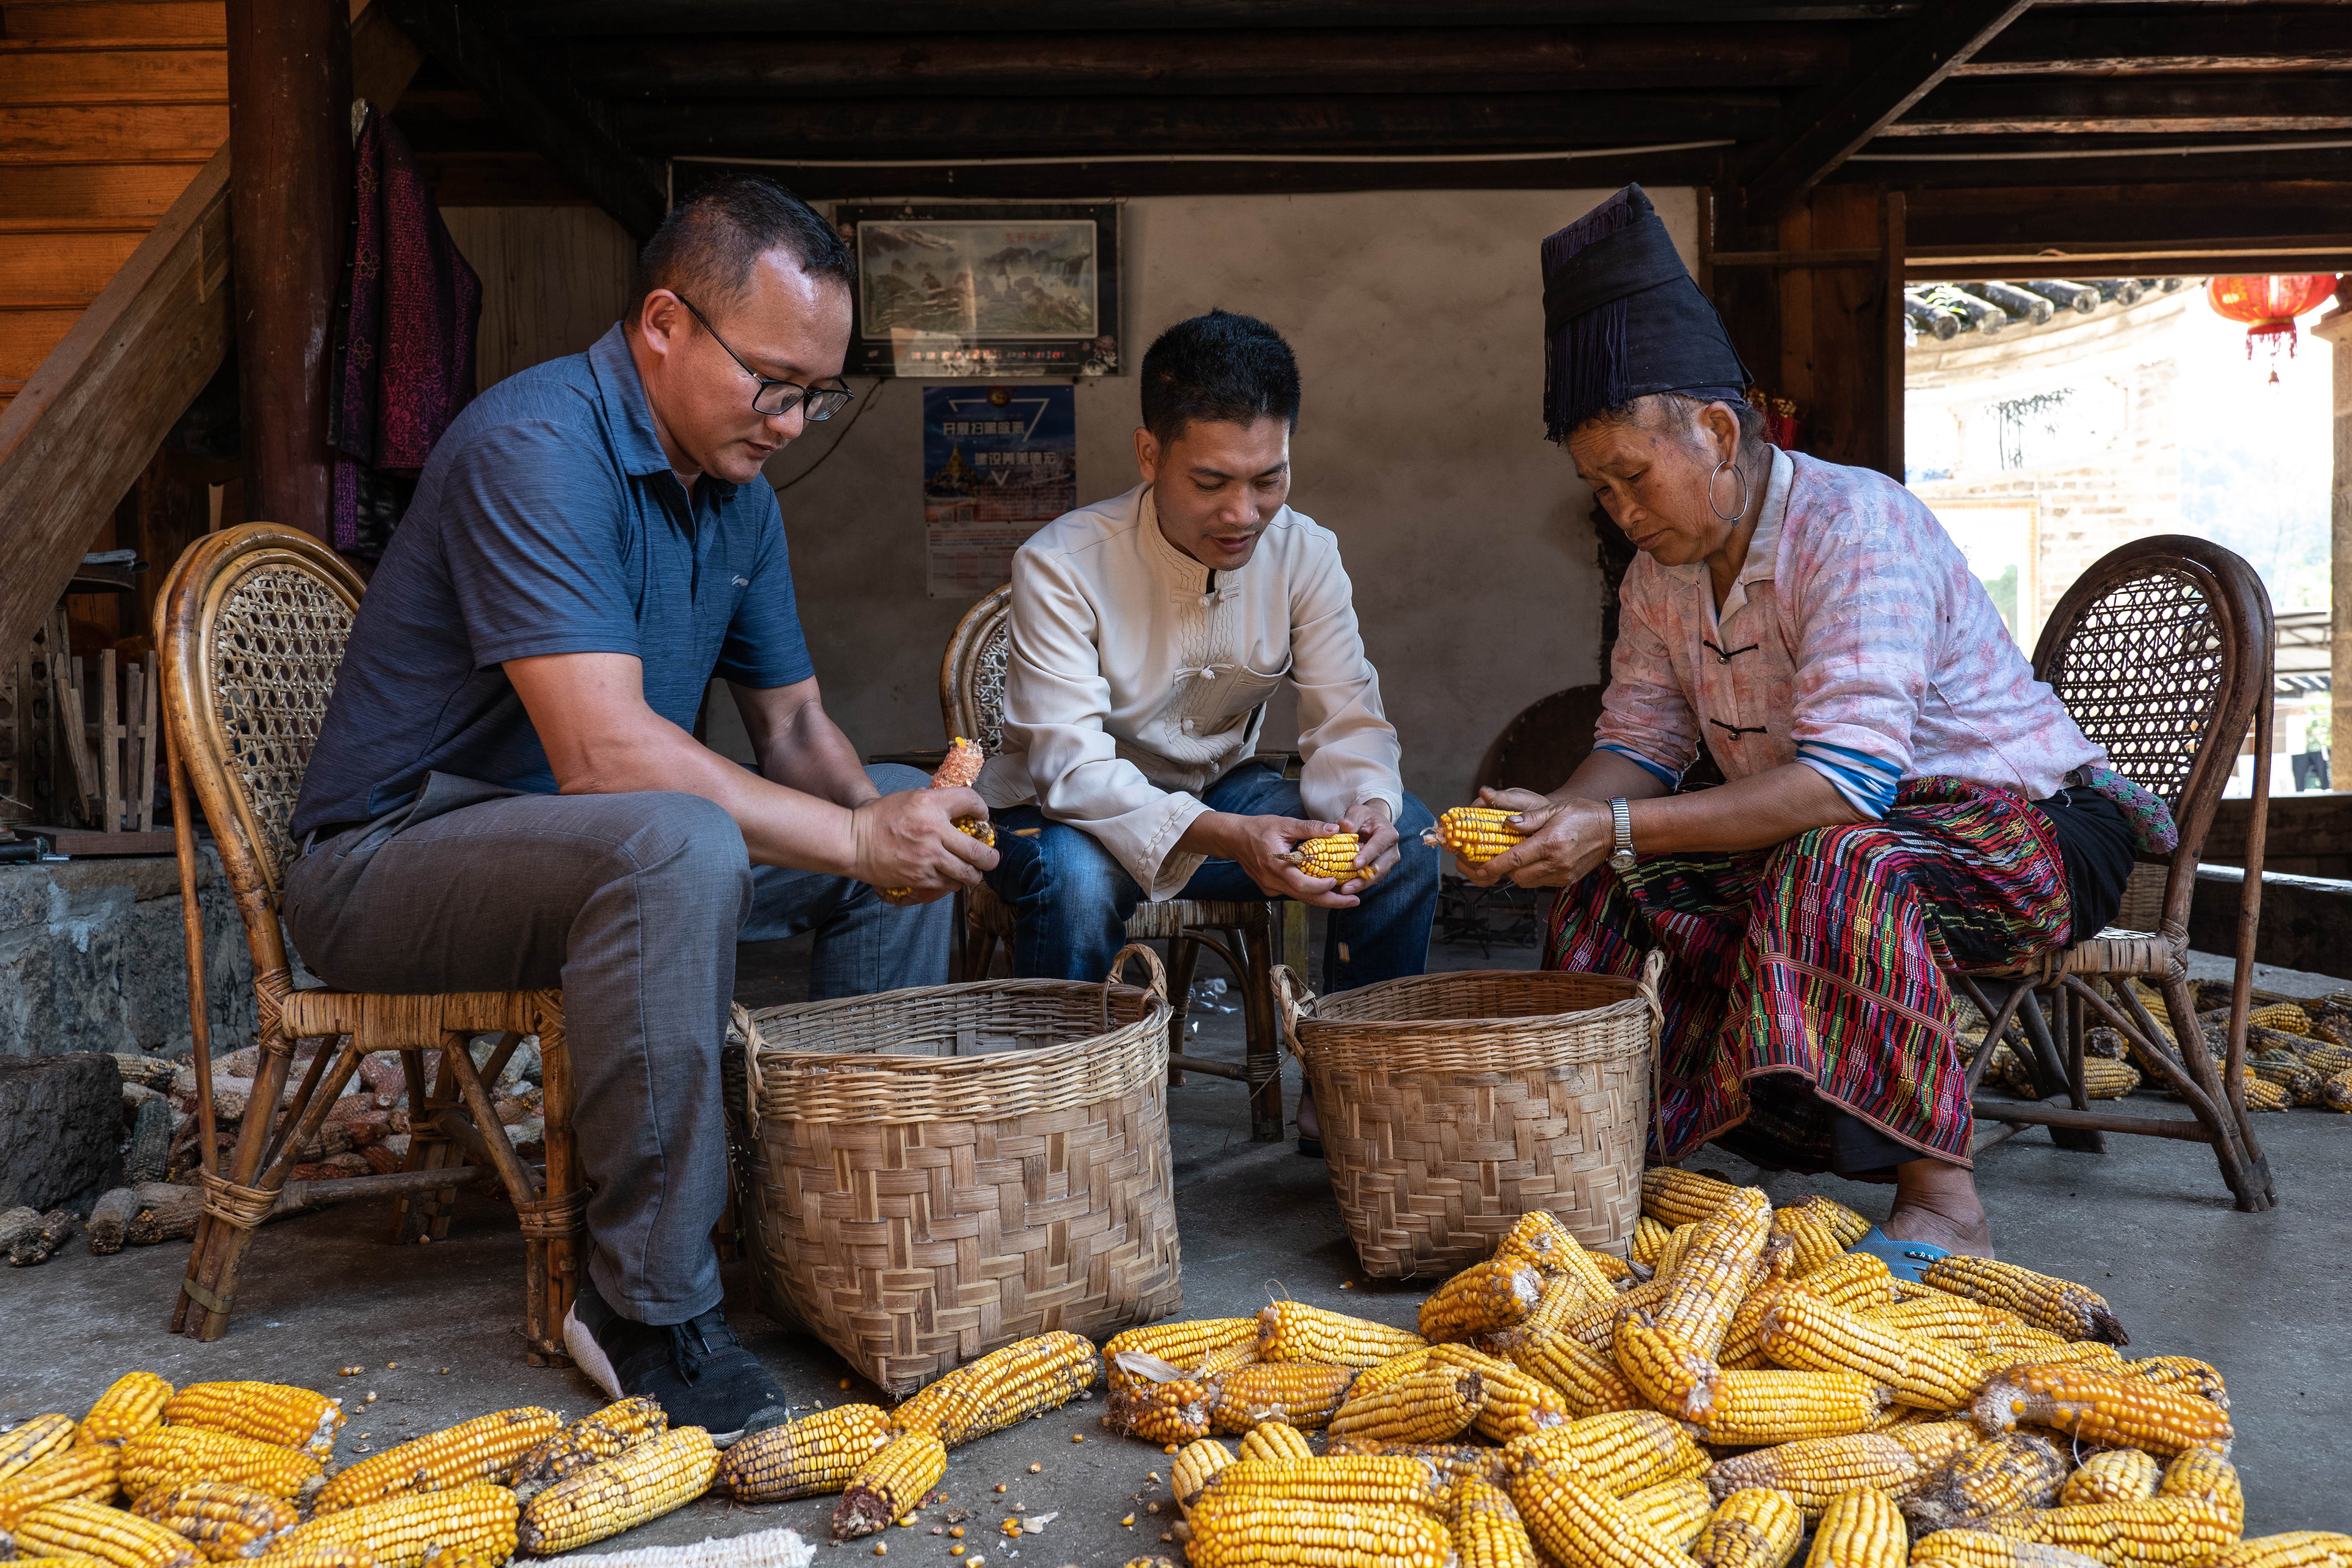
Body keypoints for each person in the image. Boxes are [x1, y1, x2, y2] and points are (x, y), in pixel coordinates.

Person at [284, 176, 996, 1440]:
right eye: (772, 381)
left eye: (818, 392)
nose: (791, 420)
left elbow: (792, 727)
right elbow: (606, 756)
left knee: (880, 795)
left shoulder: (741, 495)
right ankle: (645, 1306)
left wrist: (892, 823)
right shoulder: (536, 445)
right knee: (673, 838)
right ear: (664, 324)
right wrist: (842, 840)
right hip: (393, 868)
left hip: (599, 854)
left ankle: (835, 1223)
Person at [1463, 185, 2172, 1265]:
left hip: (2020, 836)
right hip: (1838, 833)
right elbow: (1642, 744)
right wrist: (1556, 825)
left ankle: (1944, 1198)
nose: (1621, 511)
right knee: (1608, 884)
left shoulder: (1858, 526)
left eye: (1633, 477)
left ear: (1715, 432)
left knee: (1834, 862)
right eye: (1598, 489)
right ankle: (1618, 1153)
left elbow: (1845, 786)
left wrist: (1611, 829)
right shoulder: (1661, 575)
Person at [977, 310, 1441, 1148]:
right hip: (1056, 817)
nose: (1244, 511)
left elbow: (1347, 716)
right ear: (1149, 455)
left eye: (1270, 478)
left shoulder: (1306, 554)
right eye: (1213, 481)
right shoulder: (1062, 562)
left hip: (1217, 796)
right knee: (1077, 881)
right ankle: (1067, 1126)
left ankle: (1348, 1096)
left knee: (1404, 837)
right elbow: (1070, 766)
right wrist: (1230, 837)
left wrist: (1367, 802)